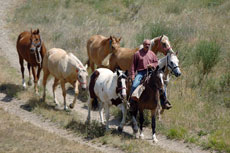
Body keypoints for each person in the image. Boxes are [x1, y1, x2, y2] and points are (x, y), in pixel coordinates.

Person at [129, 39, 171, 111]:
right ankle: (131, 103)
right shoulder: (137, 54)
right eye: (146, 44)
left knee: (161, 85)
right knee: (134, 85)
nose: (147, 46)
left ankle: (164, 102)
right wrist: (133, 75)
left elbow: (156, 63)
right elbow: (133, 66)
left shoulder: (152, 53)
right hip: (141, 72)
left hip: (152, 72)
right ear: (143, 45)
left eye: (148, 45)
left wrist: (152, 65)